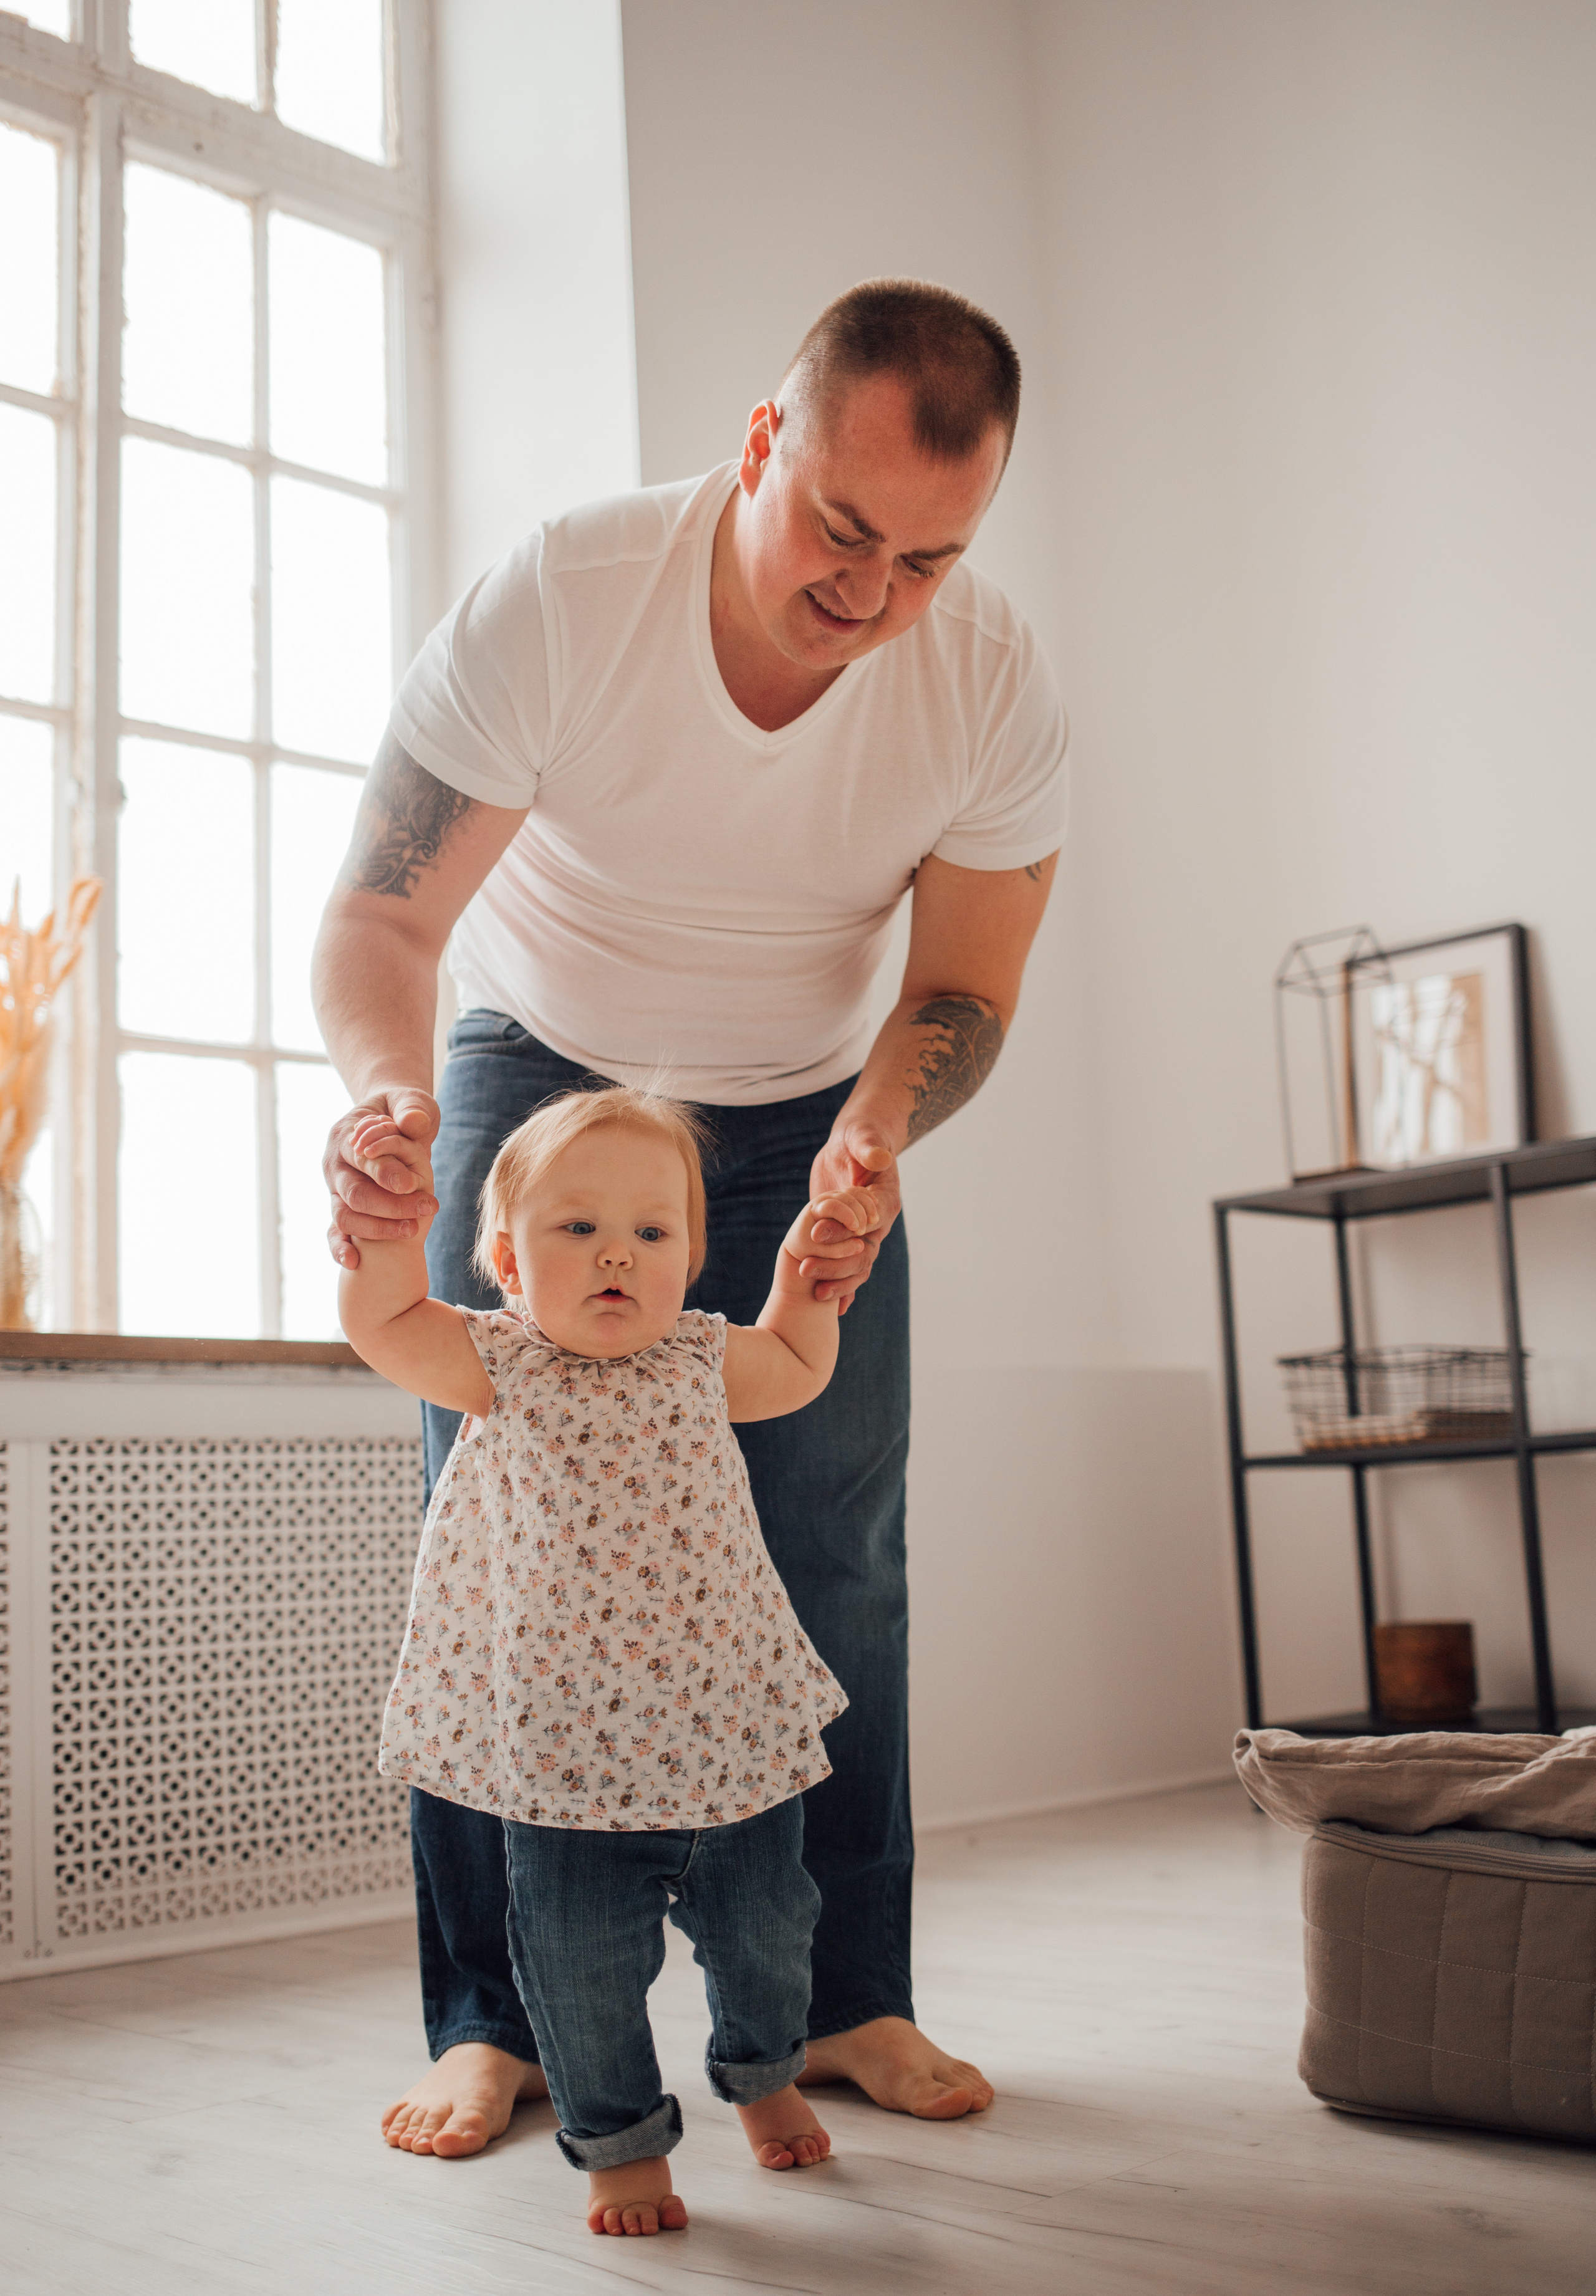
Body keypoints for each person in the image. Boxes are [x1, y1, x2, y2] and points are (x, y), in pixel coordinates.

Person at [315, 277, 1066, 2159]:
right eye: (840, 527)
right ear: (759, 445)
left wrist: (880, 1130)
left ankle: (843, 2000)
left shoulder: (988, 681)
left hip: (807, 1098)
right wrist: (388, 1104)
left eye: (927, 557)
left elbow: (964, 982)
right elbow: (386, 912)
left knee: (838, 1545)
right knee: (489, 1544)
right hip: (538, 1072)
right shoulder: (569, 596)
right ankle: (494, 2022)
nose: (873, 594)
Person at [340, 1082, 878, 2235]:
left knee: (770, 1939)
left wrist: (804, 1288)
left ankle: (763, 2071)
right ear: (507, 1259)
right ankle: (624, 2146)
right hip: (566, 1765)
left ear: (689, 1255)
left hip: (730, 1738)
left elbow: (795, 1361)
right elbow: (387, 1326)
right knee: (579, 1977)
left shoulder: (700, 1358)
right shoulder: (497, 1362)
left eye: (651, 1231)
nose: (616, 1258)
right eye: (575, 1229)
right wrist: (381, 1243)